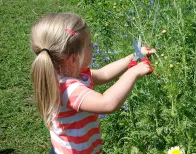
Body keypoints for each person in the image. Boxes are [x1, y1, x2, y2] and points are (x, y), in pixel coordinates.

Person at [30, 13, 156, 154]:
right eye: (89, 44)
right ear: (73, 59)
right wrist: (133, 73)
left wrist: (134, 56)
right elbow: (107, 103)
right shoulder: (68, 89)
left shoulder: (74, 73)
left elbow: (104, 74)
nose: (92, 46)